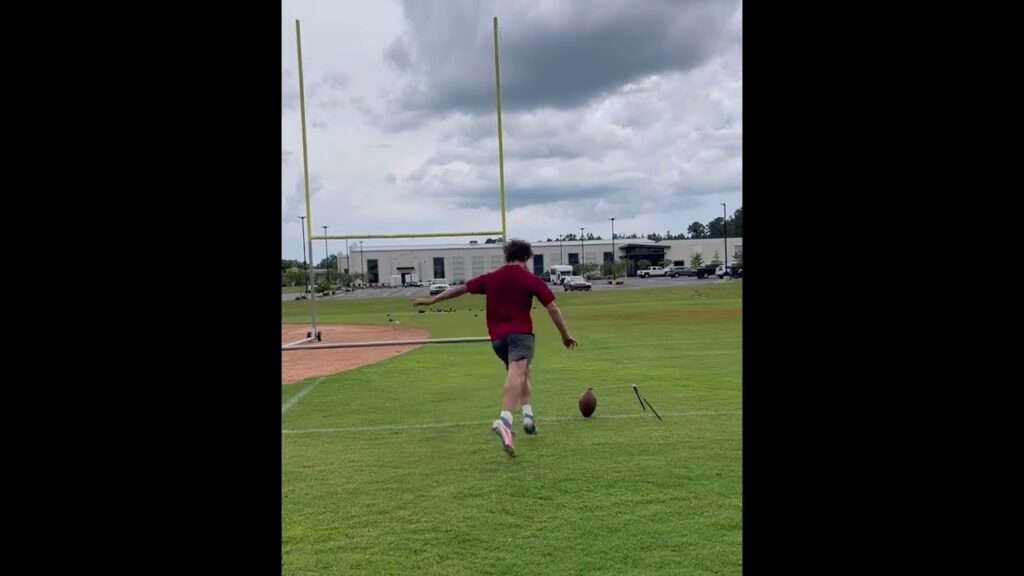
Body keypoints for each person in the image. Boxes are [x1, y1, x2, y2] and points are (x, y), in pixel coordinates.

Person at [412, 239, 577, 457]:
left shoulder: (491, 277)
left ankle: (528, 416)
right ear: (526, 257)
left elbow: (460, 289)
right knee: (518, 373)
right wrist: (565, 336)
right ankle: (505, 421)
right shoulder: (530, 279)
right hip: (520, 335)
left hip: (498, 340)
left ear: (506, 257)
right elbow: (553, 308)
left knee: (523, 371)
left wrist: (432, 301)